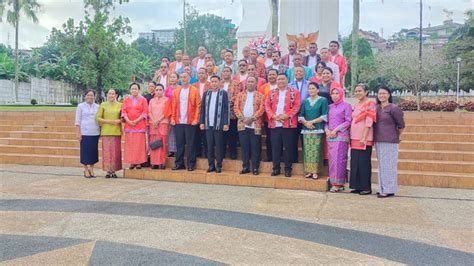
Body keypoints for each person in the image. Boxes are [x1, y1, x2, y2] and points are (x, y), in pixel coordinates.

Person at [265, 73, 300, 177]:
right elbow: (267, 105)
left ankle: (288, 169)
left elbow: (297, 105)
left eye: (282, 79)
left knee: (288, 147)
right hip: (275, 124)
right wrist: (273, 116)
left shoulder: (294, 92)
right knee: (275, 147)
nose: (280, 81)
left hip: (288, 124)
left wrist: (287, 115)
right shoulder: (271, 92)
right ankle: (276, 168)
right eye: (279, 79)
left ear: (287, 80)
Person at [374, 85, 405, 198]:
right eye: (379, 94)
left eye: (384, 93)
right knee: (382, 165)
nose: (381, 95)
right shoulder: (376, 108)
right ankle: (382, 188)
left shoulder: (393, 108)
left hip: (390, 140)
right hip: (378, 140)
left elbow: (401, 125)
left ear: (389, 95)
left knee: (389, 165)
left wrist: (396, 135)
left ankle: (389, 189)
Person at [234, 76, 265, 175]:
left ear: (256, 83)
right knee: (244, 147)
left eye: (252, 81)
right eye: (248, 82)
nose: (250, 83)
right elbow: (236, 108)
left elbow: (261, 109)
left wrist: (251, 119)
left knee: (255, 147)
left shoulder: (261, 96)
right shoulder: (240, 95)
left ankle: (255, 168)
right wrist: (243, 119)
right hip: (242, 125)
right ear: (245, 83)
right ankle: (245, 166)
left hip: (255, 125)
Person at [350, 84, 376, 195]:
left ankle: (366, 187)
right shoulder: (357, 104)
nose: (357, 93)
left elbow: (369, 121)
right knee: (355, 161)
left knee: (364, 162)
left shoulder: (370, 103)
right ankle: (356, 186)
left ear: (366, 92)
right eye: (356, 91)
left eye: (360, 91)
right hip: (354, 137)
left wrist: (364, 137)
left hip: (364, 137)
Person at [171, 72, 201, 171]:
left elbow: (198, 106)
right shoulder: (176, 91)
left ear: (189, 78)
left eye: (185, 77)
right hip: (178, 121)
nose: (183, 79)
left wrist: (196, 119)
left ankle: (191, 164)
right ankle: (179, 163)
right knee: (179, 144)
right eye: (182, 77)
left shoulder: (195, 90)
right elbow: (174, 106)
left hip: (190, 121)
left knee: (191, 144)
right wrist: (173, 118)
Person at [199, 75, 229, 173]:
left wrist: (226, 123)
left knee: (219, 145)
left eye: (216, 81)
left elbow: (226, 109)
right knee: (209, 145)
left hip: (218, 124)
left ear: (220, 82)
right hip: (208, 124)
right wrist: (202, 122)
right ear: (210, 83)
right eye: (212, 81)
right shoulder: (206, 93)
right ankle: (211, 165)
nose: (214, 83)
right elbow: (202, 109)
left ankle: (219, 165)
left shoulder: (223, 93)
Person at [298, 82, 328, 179]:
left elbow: (324, 115)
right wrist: (306, 123)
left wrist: (312, 122)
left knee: (316, 151)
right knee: (307, 151)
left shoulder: (323, 100)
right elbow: (301, 115)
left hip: (317, 129)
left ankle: (315, 171)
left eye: (313, 88)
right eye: (309, 89)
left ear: (317, 90)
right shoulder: (305, 101)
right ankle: (309, 171)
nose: (311, 90)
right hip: (306, 129)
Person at [326, 86, 352, 192]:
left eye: (337, 93)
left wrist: (336, 130)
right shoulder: (329, 107)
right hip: (330, 137)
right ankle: (335, 182)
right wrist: (327, 130)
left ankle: (338, 184)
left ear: (341, 94)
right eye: (333, 94)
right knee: (332, 160)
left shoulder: (347, 106)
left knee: (339, 160)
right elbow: (326, 121)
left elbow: (348, 121)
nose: (335, 96)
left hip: (341, 136)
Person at [121, 83, 149, 170]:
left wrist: (136, 120)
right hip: (129, 126)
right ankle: (132, 162)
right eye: (132, 89)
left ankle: (139, 162)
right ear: (130, 90)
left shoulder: (143, 100)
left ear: (139, 90)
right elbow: (124, 112)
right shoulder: (126, 100)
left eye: (135, 89)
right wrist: (128, 121)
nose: (134, 90)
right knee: (130, 145)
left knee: (139, 145)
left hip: (140, 125)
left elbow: (145, 112)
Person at [96, 89, 122, 178]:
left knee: (115, 152)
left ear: (116, 95)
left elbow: (123, 117)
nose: (111, 95)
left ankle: (114, 171)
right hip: (106, 131)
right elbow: (97, 117)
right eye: (109, 93)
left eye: (113, 94)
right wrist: (109, 121)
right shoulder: (103, 105)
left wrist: (119, 121)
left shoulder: (120, 105)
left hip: (116, 132)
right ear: (107, 95)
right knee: (107, 152)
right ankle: (108, 171)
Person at [75, 90, 100, 178]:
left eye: (92, 95)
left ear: (94, 97)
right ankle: (85, 169)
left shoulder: (97, 107)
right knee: (85, 152)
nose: (90, 97)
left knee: (93, 152)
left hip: (95, 132)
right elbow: (77, 121)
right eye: (88, 95)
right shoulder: (80, 106)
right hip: (85, 133)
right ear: (85, 96)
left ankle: (92, 169)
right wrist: (78, 133)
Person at [148, 83, 172, 170]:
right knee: (154, 143)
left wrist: (158, 121)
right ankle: (154, 162)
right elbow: (149, 112)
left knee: (162, 143)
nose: (158, 91)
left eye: (160, 90)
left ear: (163, 91)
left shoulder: (167, 100)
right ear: (154, 91)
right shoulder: (151, 101)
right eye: (157, 90)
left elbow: (166, 112)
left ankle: (162, 162)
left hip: (163, 123)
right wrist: (154, 121)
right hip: (153, 124)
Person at [258, 69, 278, 162]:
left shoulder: (281, 86)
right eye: (270, 74)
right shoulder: (263, 87)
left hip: (280, 117)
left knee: (279, 138)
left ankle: (279, 156)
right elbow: (261, 102)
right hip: (268, 117)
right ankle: (270, 156)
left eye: (274, 74)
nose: (272, 76)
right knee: (269, 137)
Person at [220, 66, 239, 159]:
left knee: (232, 135)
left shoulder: (236, 84)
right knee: (221, 135)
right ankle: (222, 153)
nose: (225, 73)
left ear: (231, 73)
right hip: (220, 114)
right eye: (224, 71)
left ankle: (233, 153)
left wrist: (227, 103)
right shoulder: (219, 84)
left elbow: (237, 96)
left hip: (232, 113)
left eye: (227, 71)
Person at [193, 68, 210, 157]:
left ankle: (207, 153)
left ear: (206, 74)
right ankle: (197, 152)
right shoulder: (194, 86)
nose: (201, 75)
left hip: (207, 112)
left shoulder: (210, 85)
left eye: (203, 73)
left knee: (206, 134)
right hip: (196, 112)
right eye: (199, 73)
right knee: (196, 134)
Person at [164, 72, 180, 157]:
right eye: (171, 77)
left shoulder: (180, 88)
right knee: (171, 131)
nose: (172, 79)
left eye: (174, 77)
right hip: (170, 112)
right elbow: (165, 101)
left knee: (179, 131)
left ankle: (179, 149)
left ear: (178, 79)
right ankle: (171, 150)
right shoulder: (167, 89)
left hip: (179, 112)